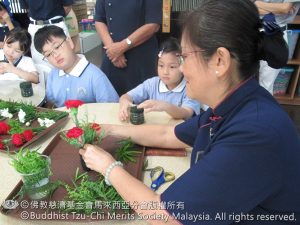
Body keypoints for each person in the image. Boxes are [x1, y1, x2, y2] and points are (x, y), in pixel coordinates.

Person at [79, 0, 300, 224]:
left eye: (184, 57)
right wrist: (109, 130)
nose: (181, 68)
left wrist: (108, 167)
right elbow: (169, 135)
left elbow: (164, 217)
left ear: (220, 61)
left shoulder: (254, 133)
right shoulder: (232, 104)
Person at [34, 25, 119, 108]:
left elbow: (112, 109)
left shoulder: (96, 77)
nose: (55, 55)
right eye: (48, 54)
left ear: (70, 42)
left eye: (57, 47)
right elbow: (51, 105)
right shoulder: (52, 75)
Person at [119, 37, 200, 121]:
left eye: (172, 67)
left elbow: (187, 113)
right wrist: (125, 102)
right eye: (161, 65)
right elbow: (126, 96)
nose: (165, 72)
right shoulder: (152, 84)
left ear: (183, 66)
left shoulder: (190, 86)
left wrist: (165, 107)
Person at [94, 0, 162, 95]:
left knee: (142, 105)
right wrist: (112, 49)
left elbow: (153, 24)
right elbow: (99, 20)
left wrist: (122, 47)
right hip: (112, 59)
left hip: (141, 59)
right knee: (110, 102)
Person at [255, 0, 300, 94]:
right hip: (248, 28)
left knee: (266, 85)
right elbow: (240, 5)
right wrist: (277, 9)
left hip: (275, 32)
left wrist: (255, 4)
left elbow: (285, 8)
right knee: (241, 77)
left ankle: (263, 107)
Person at [19, 0, 73, 66]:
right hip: (35, 26)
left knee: (66, 60)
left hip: (56, 24)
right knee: (40, 64)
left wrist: (56, 19)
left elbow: (67, 6)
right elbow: (27, 8)